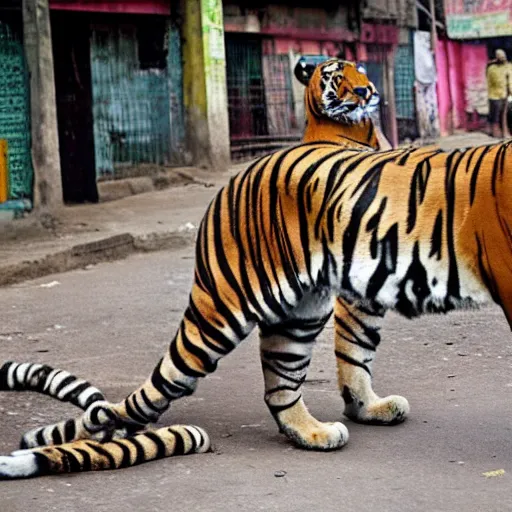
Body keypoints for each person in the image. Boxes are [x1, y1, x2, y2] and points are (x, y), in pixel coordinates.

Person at [486, 49, 511, 138]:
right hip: (495, 95)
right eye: (500, 56)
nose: (502, 58)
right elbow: (494, 82)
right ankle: (495, 132)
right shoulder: (492, 68)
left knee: (505, 115)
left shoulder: (509, 66)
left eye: (503, 56)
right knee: (496, 115)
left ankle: (505, 132)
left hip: (507, 94)